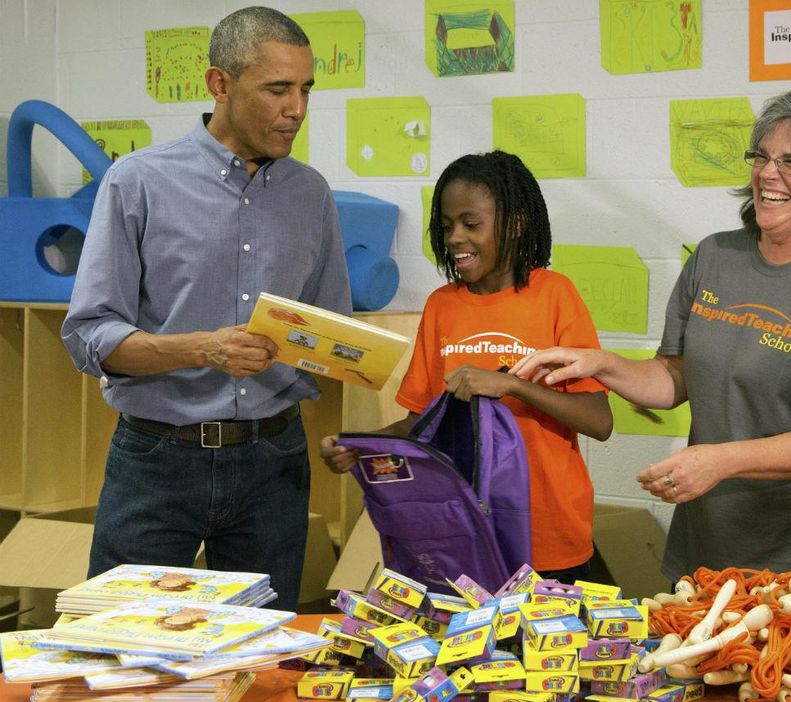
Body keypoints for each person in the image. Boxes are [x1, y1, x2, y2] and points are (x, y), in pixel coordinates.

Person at [511, 89, 791, 578]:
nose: (767, 173)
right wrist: (600, 363)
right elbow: (674, 379)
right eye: (761, 157)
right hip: (702, 546)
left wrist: (720, 461)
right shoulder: (715, 256)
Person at [61, 6, 349, 612]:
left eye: (305, 90)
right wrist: (202, 349)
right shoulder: (137, 181)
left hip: (274, 461)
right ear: (220, 84)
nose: (296, 108)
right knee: (124, 648)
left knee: (255, 657)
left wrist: (352, 364)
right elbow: (88, 335)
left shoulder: (312, 194)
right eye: (277, 89)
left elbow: (329, 333)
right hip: (156, 461)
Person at [320, 151, 613, 585]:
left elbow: (599, 420)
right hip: (464, 535)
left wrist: (510, 384)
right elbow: (422, 421)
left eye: (470, 224)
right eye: (446, 225)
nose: (455, 237)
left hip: (549, 533)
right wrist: (358, 446)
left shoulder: (555, 295)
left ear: (515, 223)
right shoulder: (442, 305)